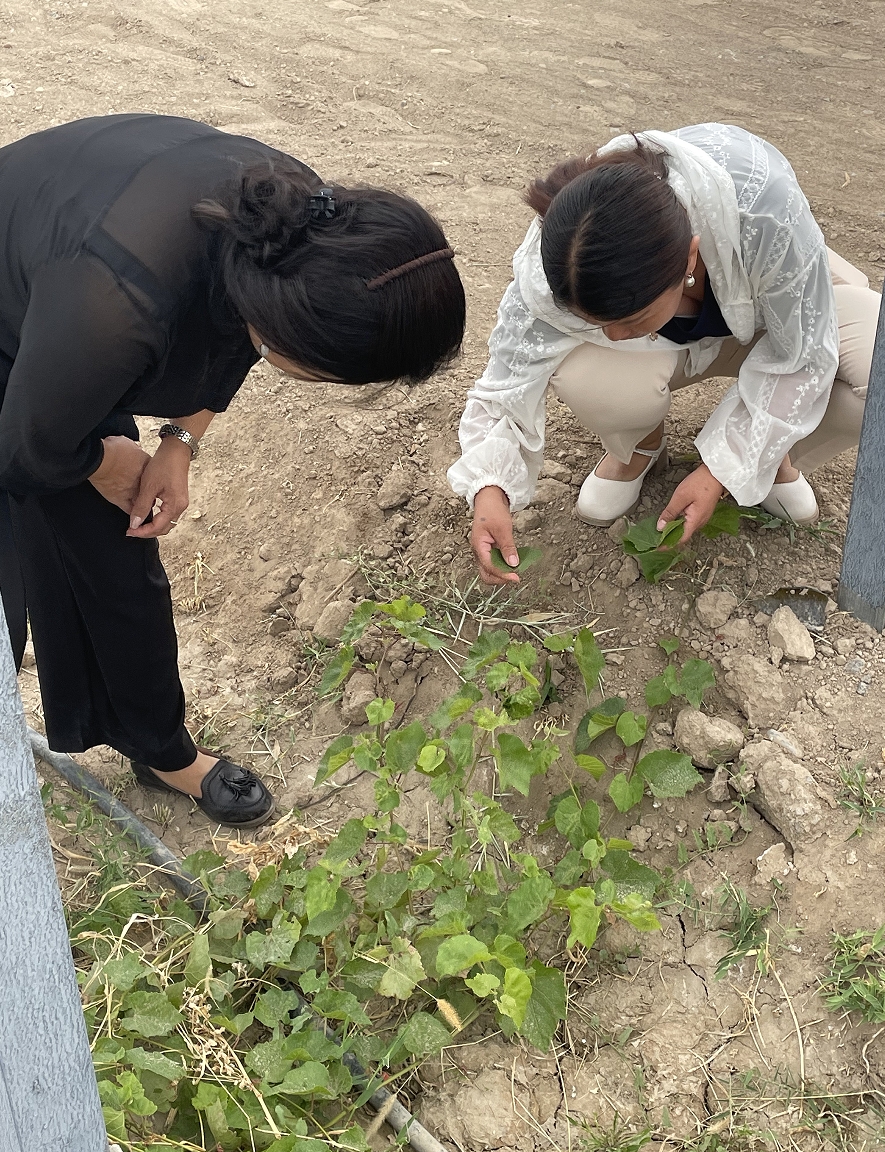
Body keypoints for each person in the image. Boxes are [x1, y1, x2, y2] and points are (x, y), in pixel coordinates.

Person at [0, 113, 465, 825]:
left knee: (119, 561)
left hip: (61, 317)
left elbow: (232, 338)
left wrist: (179, 442)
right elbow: (22, 447)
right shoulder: (117, 309)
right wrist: (99, 459)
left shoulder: (305, 225)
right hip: (39, 310)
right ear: (289, 335)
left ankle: (159, 750)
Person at [448, 123, 878, 586]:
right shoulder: (561, 256)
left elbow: (804, 351)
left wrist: (719, 470)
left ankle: (772, 455)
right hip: (668, 343)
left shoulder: (764, 212)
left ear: (690, 258)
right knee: (583, 373)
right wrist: (489, 489)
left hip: (778, 307)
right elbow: (507, 381)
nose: (613, 337)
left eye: (631, 318)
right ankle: (639, 450)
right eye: (594, 321)